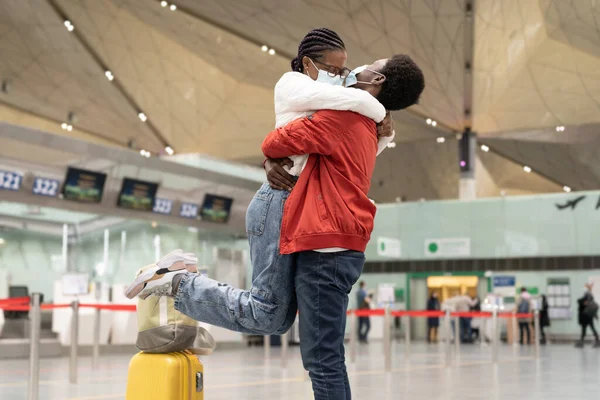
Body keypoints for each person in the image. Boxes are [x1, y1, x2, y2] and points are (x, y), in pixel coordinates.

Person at [125, 28, 424, 397]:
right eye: (335, 68)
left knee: (272, 317)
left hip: (296, 210)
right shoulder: (322, 98)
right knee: (281, 322)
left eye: (361, 67)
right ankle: (177, 283)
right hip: (282, 202)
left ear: (375, 78)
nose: (346, 72)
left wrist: (380, 126)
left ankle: (179, 283)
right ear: (311, 64)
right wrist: (378, 114)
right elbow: (274, 143)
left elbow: (287, 145)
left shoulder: (352, 118)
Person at [575, 283, 600, 348]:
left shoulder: (587, 296)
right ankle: (583, 341)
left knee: (586, 328)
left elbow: (582, 302)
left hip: (586, 315)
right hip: (587, 315)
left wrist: (580, 301)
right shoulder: (588, 296)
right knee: (588, 328)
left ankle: (583, 341)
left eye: (586, 287)